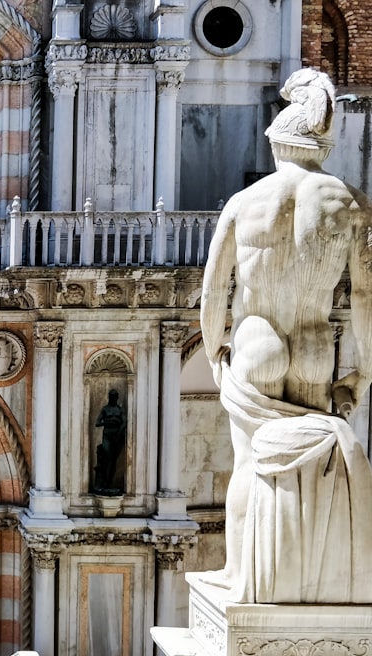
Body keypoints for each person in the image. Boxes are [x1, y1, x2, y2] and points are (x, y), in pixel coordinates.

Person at [201, 68, 372, 603]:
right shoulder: (352, 204)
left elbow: (212, 292)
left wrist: (213, 352)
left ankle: (241, 575)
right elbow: (365, 296)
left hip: (258, 343)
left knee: (252, 465)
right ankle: (303, 585)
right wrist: (363, 371)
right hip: (318, 348)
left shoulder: (244, 202)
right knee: (311, 466)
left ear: (279, 144)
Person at [93, 389, 126, 493]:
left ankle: (110, 483)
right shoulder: (105, 409)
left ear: (117, 398)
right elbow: (97, 423)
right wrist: (108, 422)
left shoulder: (120, 410)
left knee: (113, 461)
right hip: (107, 435)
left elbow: (124, 423)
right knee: (107, 459)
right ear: (109, 397)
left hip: (117, 436)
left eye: (115, 397)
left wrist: (119, 431)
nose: (113, 398)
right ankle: (104, 483)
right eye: (111, 397)